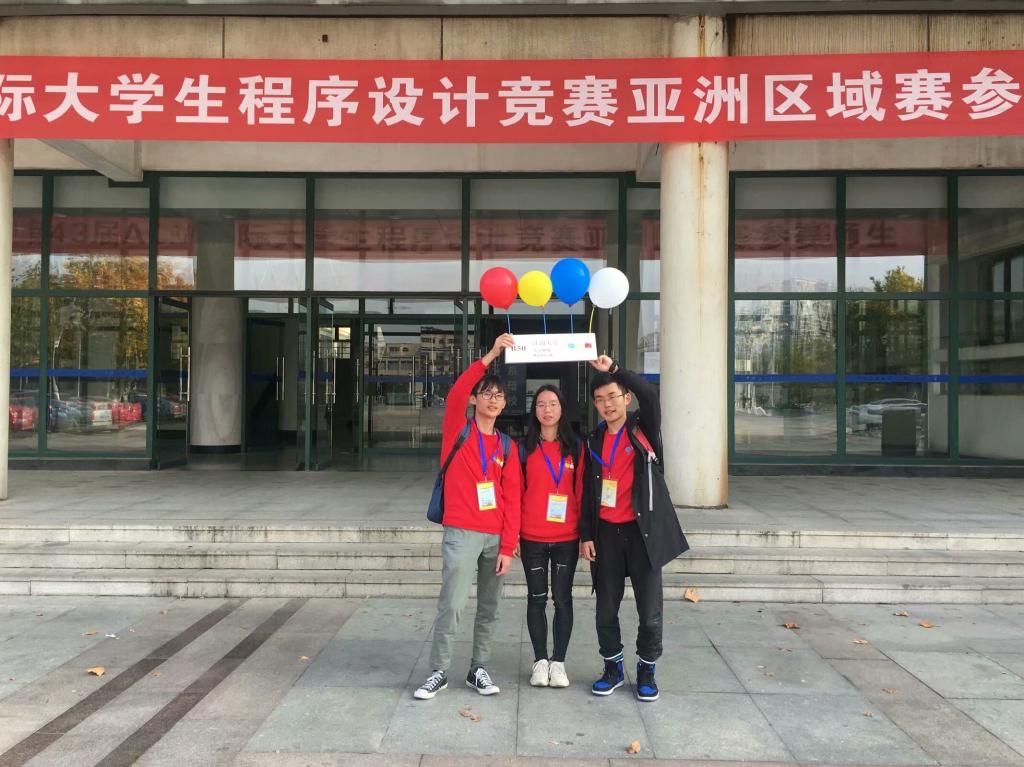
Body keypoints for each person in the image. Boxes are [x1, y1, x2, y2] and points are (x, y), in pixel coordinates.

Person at [414, 333, 522, 701]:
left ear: (504, 404)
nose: (493, 399)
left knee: (490, 608)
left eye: (499, 395)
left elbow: (513, 499)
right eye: (486, 394)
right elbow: (459, 390)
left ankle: (479, 668)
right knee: (453, 604)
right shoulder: (457, 431)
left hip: (496, 538)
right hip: (461, 532)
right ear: (475, 400)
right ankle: (439, 670)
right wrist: (491, 355)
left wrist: (508, 546)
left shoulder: (507, 446)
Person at [580, 355, 688, 703]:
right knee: (605, 610)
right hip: (607, 536)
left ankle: (646, 670)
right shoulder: (593, 440)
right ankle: (612, 667)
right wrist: (586, 535)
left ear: (626, 398)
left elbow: (651, 395)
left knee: (650, 612)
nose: (607, 404)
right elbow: (587, 490)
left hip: (644, 534)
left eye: (613, 396)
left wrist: (614, 370)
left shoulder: (643, 429)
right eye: (600, 399)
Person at [517, 385, 585, 689]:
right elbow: (515, 492)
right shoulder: (523, 448)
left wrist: (585, 535)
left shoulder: (576, 448)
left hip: (566, 537)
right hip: (531, 536)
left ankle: (558, 662)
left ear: (562, 409)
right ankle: (540, 660)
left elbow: (581, 492)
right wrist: (513, 535)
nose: (547, 409)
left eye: (553, 404)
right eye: (541, 404)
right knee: (536, 598)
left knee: (562, 599)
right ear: (534, 410)